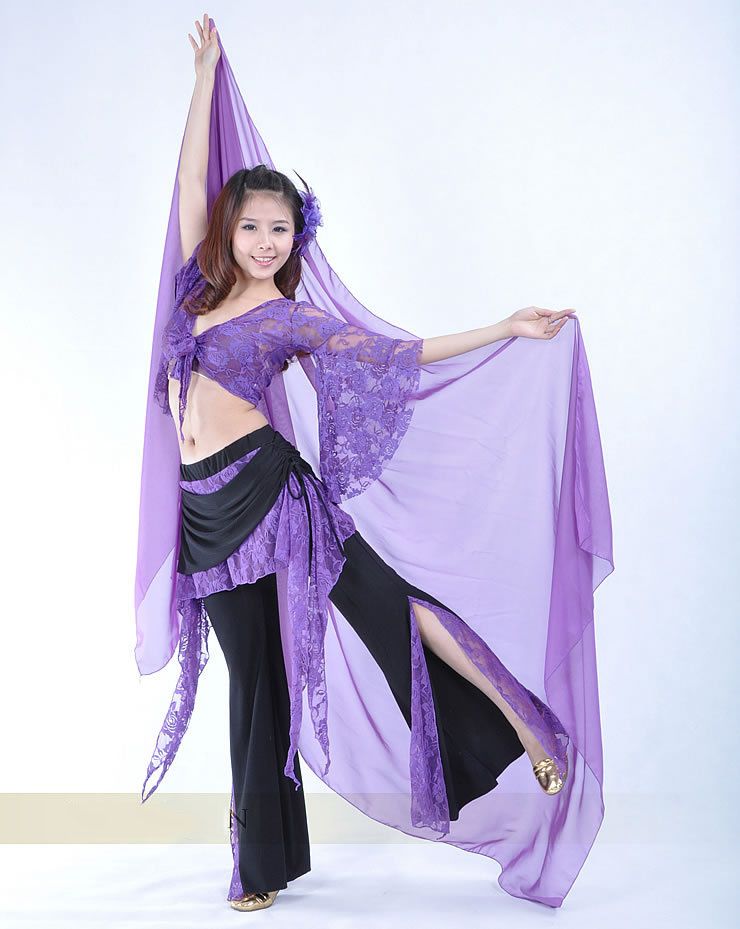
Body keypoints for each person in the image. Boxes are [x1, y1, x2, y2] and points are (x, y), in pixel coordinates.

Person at [135, 14, 613, 914]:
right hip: (207, 513)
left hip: (273, 494)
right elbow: (188, 180)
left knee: (383, 604)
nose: (266, 241)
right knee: (253, 681)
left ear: (296, 238)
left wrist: (504, 328)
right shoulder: (193, 288)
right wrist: (203, 81)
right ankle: (265, 857)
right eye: (252, 226)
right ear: (230, 230)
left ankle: (521, 715)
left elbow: (398, 354)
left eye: (281, 229)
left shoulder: (291, 316)